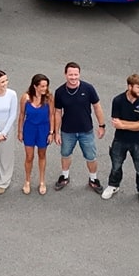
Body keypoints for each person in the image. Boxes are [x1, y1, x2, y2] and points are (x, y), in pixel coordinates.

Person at [51, 62, 103, 193]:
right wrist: (56, 133)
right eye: (70, 75)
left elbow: (97, 106)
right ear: (65, 75)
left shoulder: (88, 88)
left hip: (86, 130)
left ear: (79, 74)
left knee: (91, 156)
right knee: (65, 154)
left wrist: (102, 125)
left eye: (76, 74)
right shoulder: (60, 92)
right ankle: (65, 176)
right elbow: (57, 112)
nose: (73, 77)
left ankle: (93, 179)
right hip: (67, 131)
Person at [102, 73, 139, 204]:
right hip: (120, 140)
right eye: (138, 87)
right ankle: (113, 185)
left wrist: (123, 125)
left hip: (138, 141)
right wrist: (132, 124)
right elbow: (115, 122)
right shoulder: (118, 100)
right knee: (116, 165)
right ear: (129, 87)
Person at [20, 74, 54, 195]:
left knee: (42, 155)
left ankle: (42, 181)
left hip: (43, 129)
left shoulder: (49, 98)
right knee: (29, 157)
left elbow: (51, 115)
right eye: (42, 86)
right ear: (35, 86)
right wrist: (20, 131)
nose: (44, 88)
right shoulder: (26, 98)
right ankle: (27, 181)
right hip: (29, 129)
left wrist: (51, 132)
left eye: (46, 86)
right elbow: (22, 115)